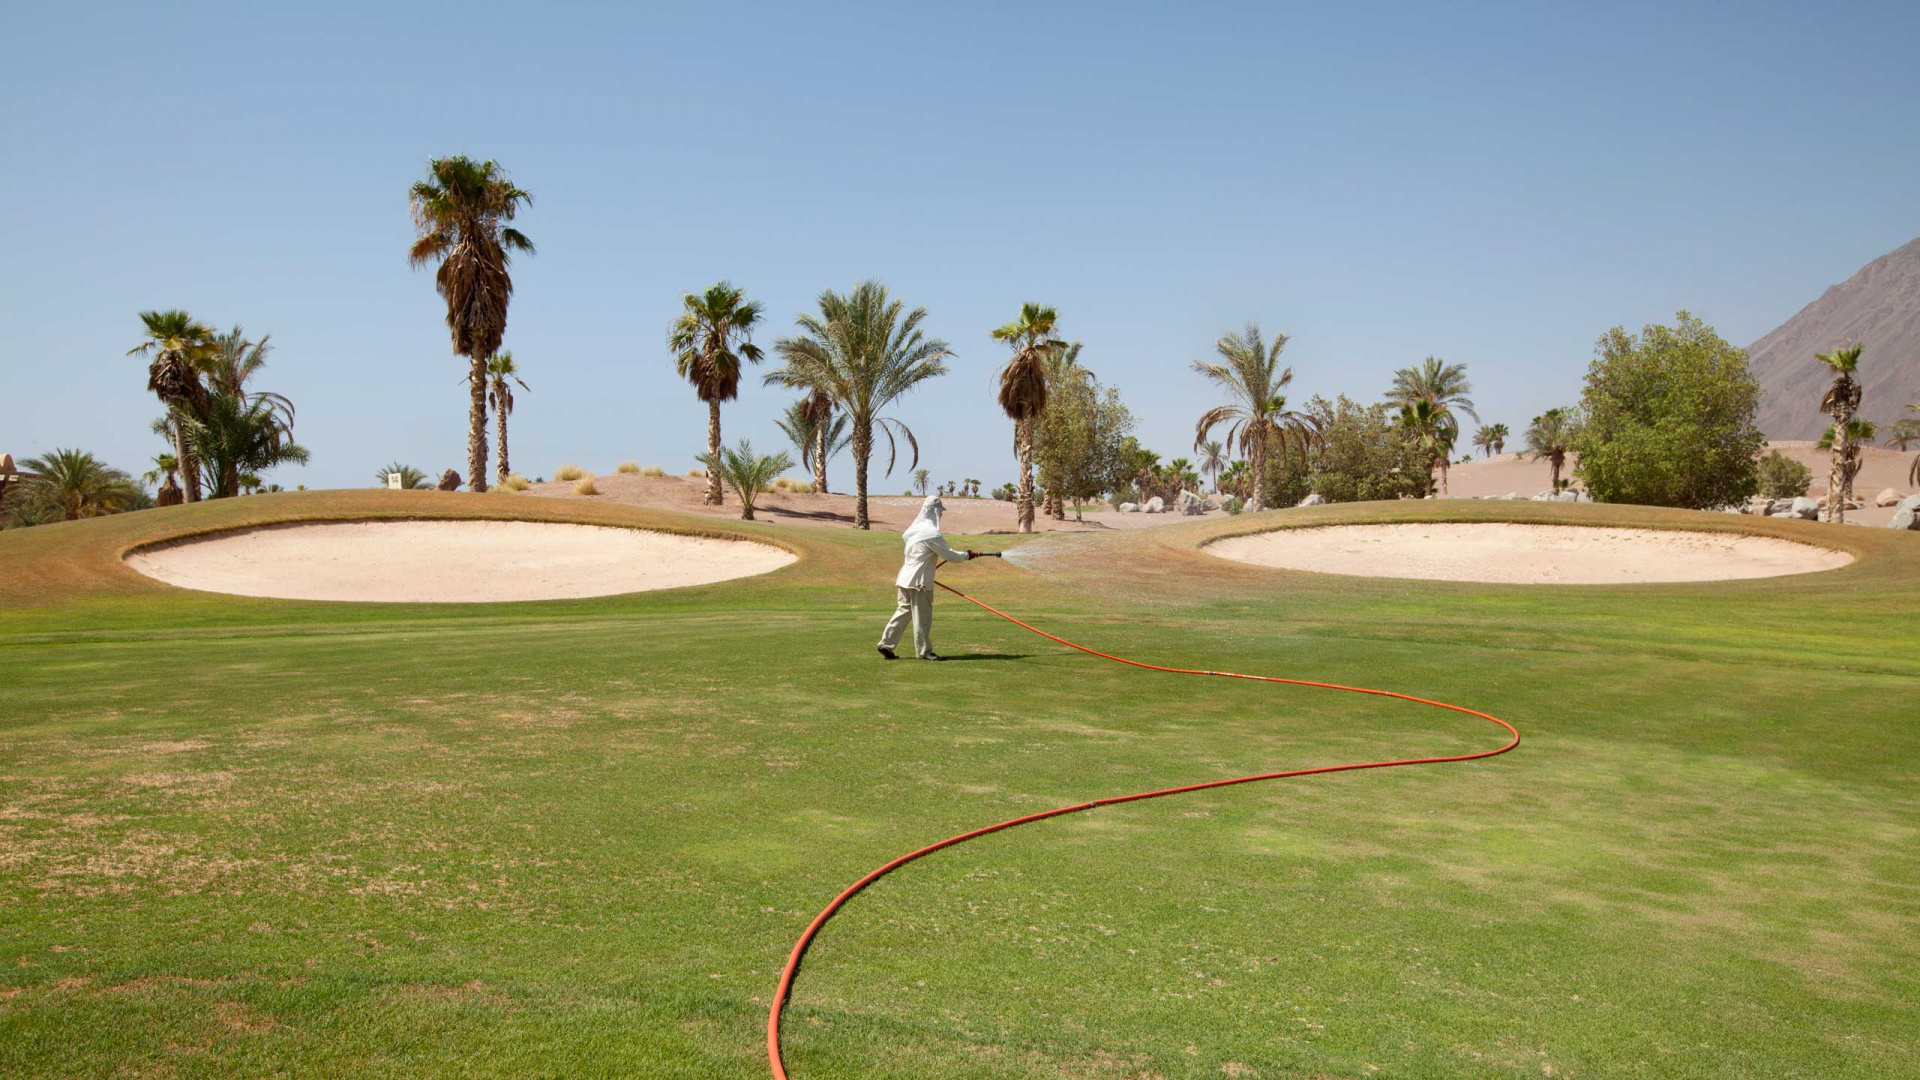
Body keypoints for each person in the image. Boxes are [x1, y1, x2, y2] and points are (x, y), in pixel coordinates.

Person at [878, 495, 974, 661]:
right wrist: (967, 555)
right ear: (935, 511)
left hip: (904, 579)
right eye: (940, 512)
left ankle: (886, 643)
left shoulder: (913, 531)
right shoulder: (932, 533)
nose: (941, 515)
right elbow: (949, 555)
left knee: (903, 611)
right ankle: (924, 651)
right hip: (919, 582)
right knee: (922, 616)